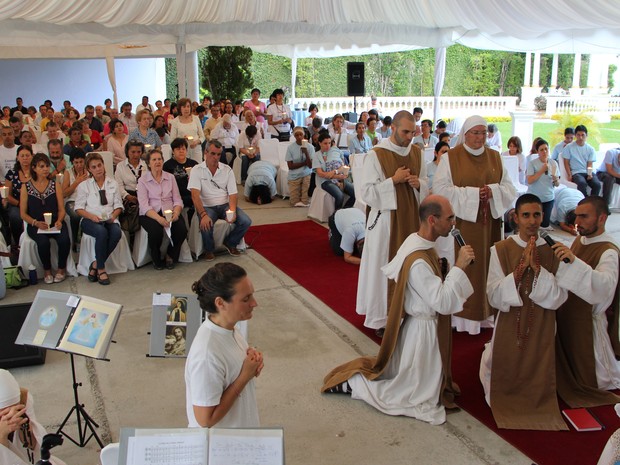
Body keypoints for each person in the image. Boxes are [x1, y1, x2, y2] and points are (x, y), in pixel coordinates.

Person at [322, 195, 474, 425]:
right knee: (412, 395)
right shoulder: (418, 261)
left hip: (424, 328)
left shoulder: (418, 242)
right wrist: (459, 267)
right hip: (422, 333)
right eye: (450, 217)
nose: (454, 223)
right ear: (432, 220)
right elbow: (441, 302)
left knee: (418, 384)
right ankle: (355, 384)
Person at [481, 193, 568, 430]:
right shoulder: (500, 249)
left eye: (537, 215)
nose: (532, 221)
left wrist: (538, 270)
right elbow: (493, 294)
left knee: (539, 361)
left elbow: (560, 296)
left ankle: (537, 399)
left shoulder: (554, 249)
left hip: (543, 320)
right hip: (510, 321)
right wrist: (520, 271)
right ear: (516, 218)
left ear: (543, 216)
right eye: (526, 215)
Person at [433, 115, 517, 334]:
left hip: (490, 225)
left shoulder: (495, 157)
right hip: (463, 224)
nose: (480, 137)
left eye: (483, 133)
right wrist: (473, 195)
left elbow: (509, 188)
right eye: (475, 133)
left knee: (490, 265)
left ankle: (486, 312)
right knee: (467, 264)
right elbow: (440, 189)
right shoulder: (451, 158)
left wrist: (493, 191)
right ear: (466, 134)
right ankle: (463, 317)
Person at [356, 110, 427, 336]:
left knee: (412, 265)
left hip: (412, 219)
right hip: (386, 222)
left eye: (413, 132)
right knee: (383, 268)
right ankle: (383, 318)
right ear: (393, 128)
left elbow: (427, 183)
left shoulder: (417, 153)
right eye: (405, 132)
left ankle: (409, 313)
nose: (409, 137)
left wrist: (419, 184)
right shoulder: (377, 155)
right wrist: (393, 181)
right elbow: (365, 192)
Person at [552, 196, 620, 408]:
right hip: (569, 314)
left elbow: (604, 287)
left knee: (593, 377)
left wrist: (574, 263)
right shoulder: (580, 239)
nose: (577, 221)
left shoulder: (608, 250)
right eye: (577, 215)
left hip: (587, 321)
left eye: (584, 216)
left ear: (601, 218)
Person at [185, 262, 263, 428]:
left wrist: (251, 361)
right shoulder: (206, 355)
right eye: (246, 299)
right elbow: (205, 419)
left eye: (252, 295)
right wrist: (244, 376)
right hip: (222, 447)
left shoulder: (230, 328)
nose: (254, 303)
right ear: (220, 303)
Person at [189, 140, 252, 261]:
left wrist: (232, 210)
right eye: (213, 153)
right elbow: (195, 196)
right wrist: (202, 214)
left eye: (218, 154)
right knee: (206, 223)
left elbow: (233, 193)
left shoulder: (227, 170)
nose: (216, 157)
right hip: (207, 205)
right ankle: (209, 250)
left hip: (224, 205)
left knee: (246, 221)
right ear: (205, 153)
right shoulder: (197, 170)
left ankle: (230, 242)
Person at [20, 153, 70, 284]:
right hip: (36, 224)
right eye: (42, 166)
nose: (46, 169)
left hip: (55, 222)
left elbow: (61, 209)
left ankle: (61, 269)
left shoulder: (55, 185)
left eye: (47, 166)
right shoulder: (26, 187)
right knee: (43, 243)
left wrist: (59, 220)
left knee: (64, 240)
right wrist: (35, 223)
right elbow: (23, 214)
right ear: (34, 168)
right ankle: (47, 271)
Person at [0, 369, 67, 465]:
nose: (11, 414)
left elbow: (33, 452)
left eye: (14, 408)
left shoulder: (24, 400)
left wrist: (28, 434)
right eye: (4, 412)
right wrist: (1, 435)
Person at [75, 152, 123, 285]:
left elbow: (119, 205)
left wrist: (113, 216)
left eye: (99, 165)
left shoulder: (112, 183)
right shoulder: (84, 186)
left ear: (103, 165)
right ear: (89, 169)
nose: (98, 169)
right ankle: (101, 269)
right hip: (90, 220)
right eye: (94, 167)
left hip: (109, 218)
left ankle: (95, 264)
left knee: (116, 233)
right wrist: (91, 216)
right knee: (101, 233)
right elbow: (78, 208)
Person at [137, 148, 186, 270]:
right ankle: (156, 257)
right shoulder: (142, 181)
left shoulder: (170, 177)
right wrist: (159, 219)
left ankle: (170, 255)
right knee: (155, 232)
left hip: (169, 211)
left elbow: (177, 199)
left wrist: (176, 212)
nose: (157, 162)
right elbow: (144, 205)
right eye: (154, 160)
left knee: (181, 229)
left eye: (159, 159)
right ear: (148, 163)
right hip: (151, 213)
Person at [313, 133, 355, 210]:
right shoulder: (316, 155)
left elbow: (343, 166)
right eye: (325, 143)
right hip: (325, 181)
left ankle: (344, 211)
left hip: (339, 178)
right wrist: (336, 173)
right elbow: (320, 174)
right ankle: (336, 216)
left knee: (355, 193)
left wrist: (340, 173)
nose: (328, 146)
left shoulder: (334, 152)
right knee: (340, 195)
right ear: (320, 143)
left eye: (329, 143)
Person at [115, 140, 147, 237]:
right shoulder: (120, 166)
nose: (136, 155)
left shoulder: (146, 165)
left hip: (144, 195)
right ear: (127, 152)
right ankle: (129, 233)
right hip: (127, 195)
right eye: (133, 152)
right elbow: (118, 186)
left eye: (138, 152)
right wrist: (127, 196)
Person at [526, 138, 560, 229]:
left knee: (544, 225)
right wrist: (541, 170)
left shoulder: (553, 163)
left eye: (546, 149)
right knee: (533, 223)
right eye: (542, 150)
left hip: (548, 197)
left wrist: (555, 179)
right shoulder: (532, 164)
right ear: (537, 151)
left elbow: (557, 184)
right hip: (535, 197)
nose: (544, 151)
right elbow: (529, 181)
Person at [5, 145, 33, 246]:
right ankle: (18, 244)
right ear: (17, 157)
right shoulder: (11, 173)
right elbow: (7, 195)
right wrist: (19, 204)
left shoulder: (37, 172)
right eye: (22, 156)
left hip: (34, 203)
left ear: (32, 156)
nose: (25, 158)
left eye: (27, 155)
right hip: (17, 203)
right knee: (15, 216)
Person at [562, 124, 601, 197]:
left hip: (586, 171)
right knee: (582, 183)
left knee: (597, 184)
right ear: (575, 135)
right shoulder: (569, 147)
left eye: (583, 135)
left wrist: (589, 173)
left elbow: (590, 163)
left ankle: (592, 201)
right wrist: (569, 174)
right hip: (576, 172)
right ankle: (584, 201)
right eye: (578, 135)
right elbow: (566, 162)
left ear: (586, 135)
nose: (580, 137)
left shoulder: (590, 149)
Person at [62, 148, 89, 250]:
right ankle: (75, 240)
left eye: (81, 162)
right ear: (72, 162)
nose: (79, 165)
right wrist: (76, 182)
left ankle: (85, 240)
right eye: (76, 162)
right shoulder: (68, 173)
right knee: (76, 215)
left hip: (88, 200)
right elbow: (64, 193)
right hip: (72, 201)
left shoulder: (90, 171)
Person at [163, 137, 199, 215]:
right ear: (173, 151)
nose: (181, 151)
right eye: (178, 149)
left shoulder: (194, 164)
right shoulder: (167, 165)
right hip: (177, 196)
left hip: (193, 194)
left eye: (183, 149)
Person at [285, 126, 313, 207]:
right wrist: (304, 163)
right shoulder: (290, 148)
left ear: (303, 135)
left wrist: (306, 152)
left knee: (305, 201)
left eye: (301, 134)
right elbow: (290, 166)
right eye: (297, 135)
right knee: (294, 202)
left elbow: (310, 165)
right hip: (294, 175)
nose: (299, 137)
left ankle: (304, 198)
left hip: (306, 173)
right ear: (294, 136)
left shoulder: (310, 147)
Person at [170, 98, 205, 163]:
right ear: (180, 108)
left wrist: (197, 142)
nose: (186, 109)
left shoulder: (196, 118)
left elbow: (202, 137)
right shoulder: (175, 121)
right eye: (184, 107)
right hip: (182, 151)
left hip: (196, 150)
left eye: (188, 106)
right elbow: (172, 140)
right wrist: (182, 139)